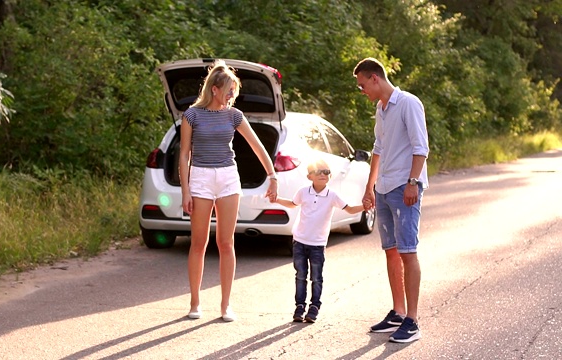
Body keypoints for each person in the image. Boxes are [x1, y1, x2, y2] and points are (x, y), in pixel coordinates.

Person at [179, 59, 278, 322]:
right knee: (199, 243)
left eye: (234, 89)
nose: (233, 94)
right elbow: (184, 155)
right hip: (200, 177)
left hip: (227, 179)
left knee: (226, 242)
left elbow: (257, 146)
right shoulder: (191, 115)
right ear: (214, 89)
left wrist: (272, 174)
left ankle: (225, 305)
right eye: (229, 89)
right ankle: (195, 303)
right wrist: (185, 191)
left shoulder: (235, 115)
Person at [353, 58, 429, 343]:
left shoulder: (409, 103)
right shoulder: (380, 109)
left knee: (408, 252)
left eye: (363, 85)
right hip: (384, 188)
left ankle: (413, 320)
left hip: (404, 187)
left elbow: (421, 147)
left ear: (375, 78)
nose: (362, 91)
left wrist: (412, 182)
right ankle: (398, 312)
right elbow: (379, 148)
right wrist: (370, 187)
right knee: (391, 251)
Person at [271, 159, 364, 323]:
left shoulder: (332, 195)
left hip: (317, 245)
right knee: (300, 276)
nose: (323, 174)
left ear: (330, 176)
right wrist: (276, 199)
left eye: (326, 172)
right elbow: (292, 204)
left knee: (316, 277)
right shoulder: (303, 192)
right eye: (319, 171)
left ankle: (314, 307)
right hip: (299, 242)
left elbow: (349, 209)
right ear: (309, 176)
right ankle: (299, 306)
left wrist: (365, 206)